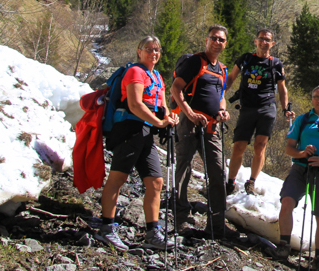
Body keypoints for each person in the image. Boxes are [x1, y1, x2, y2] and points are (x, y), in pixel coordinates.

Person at [96, 36, 179, 251]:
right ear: (139, 51)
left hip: (145, 133)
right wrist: (159, 122)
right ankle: (106, 227)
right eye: (149, 49)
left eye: (157, 50)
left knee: (155, 182)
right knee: (118, 177)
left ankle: (153, 232)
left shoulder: (157, 77)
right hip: (129, 129)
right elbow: (134, 104)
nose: (154, 53)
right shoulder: (135, 72)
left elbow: (160, 104)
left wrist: (169, 118)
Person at [273, 85, 319, 271]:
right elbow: (289, 148)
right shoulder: (302, 120)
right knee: (287, 201)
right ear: (312, 99)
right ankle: (284, 245)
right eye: (317, 97)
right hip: (300, 168)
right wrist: (302, 153)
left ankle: (318, 259)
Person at [170, 25, 232, 237]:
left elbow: (220, 95)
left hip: (212, 126)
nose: (217, 42)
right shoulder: (196, 62)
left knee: (217, 172)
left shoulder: (222, 69)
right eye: (214, 38)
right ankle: (181, 218)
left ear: (225, 43)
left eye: (221, 39)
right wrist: (188, 113)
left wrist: (223, 111)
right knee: (184, 168)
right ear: (206, 40)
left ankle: (216, 224)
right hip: (190, 123)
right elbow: (176, 88)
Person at [225, 28, 293, 196]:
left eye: (267, 40)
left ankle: (252, 182)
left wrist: (285, 109)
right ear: (255, 41)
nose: (264, 42)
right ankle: (230, 182)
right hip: (247, 107)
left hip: (267, 108)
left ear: (272, 44)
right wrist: (220, 96)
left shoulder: (275, 63)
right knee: (239, 146)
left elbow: (282, 88)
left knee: (260, 146)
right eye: (261, 39)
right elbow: (231, 77)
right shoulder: (245, 59)